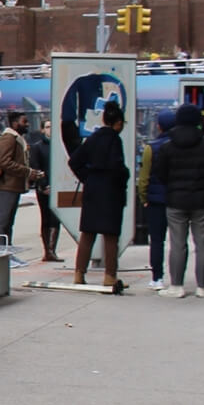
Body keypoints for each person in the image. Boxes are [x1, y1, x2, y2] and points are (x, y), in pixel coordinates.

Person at [151, 103, 204, 297]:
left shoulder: (168, 146)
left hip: (175, 200)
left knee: (177, 243)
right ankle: (203, 287)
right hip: (202, 200)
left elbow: (160, 173)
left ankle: (176, 286)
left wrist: (173, 185)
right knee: (203, 244)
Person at [70, 102, 131, 288]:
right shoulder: (114, 140)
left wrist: (87, 177)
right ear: (118, 122)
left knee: (87, 234)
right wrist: (125, 175)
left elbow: (74, 161)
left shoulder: (93, 138)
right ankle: (110, 276)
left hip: (93, 189)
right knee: (111, 235)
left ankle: (79, 274)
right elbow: (117, 167)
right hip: (111, 192)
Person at [135, 109, 177, 289]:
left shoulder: (150, 148)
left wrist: (144, 197)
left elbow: (144, 177)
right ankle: (177, 277)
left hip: (156, 201)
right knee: (178, 240)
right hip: (177, 199)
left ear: (158, 126)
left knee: (157, 240)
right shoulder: (179, 146)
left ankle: (157, 277)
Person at [0, 110, 40, 248]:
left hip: (12, 186)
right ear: (15, 123)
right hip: (6, 186)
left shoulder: (17, 138)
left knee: (8, 222)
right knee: (3, 222)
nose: (27, 125)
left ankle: (6, 253)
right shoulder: (9, 138)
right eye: (24, 122)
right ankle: (0, 254)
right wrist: (27, 172)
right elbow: (4, 162)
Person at [28, 118, 61, 262]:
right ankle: (47, 251)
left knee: (57, 219)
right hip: (44, 189)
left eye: (52, 126)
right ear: (42, 129)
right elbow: (36, 167)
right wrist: (43, 185)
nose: (50, 129)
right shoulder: (37, 147)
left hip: (58, 187)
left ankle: (52, 250)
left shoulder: (60, 146)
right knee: (46, 218)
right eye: (47, 127)